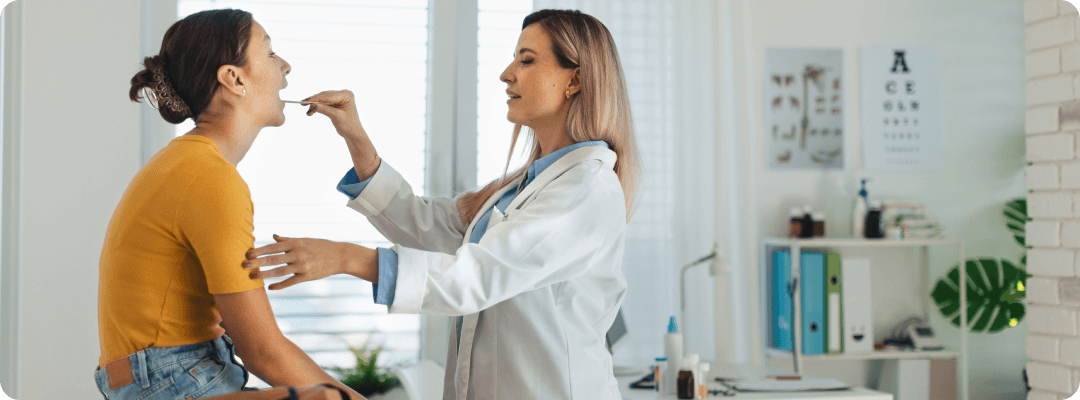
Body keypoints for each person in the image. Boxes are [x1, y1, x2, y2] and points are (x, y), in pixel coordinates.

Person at [244, 9, 640, 399]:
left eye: (527, 60)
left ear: (575, 80)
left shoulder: (587, 190)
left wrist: (348, 259)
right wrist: (356, 137)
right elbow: (427, 225)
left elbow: (476, 276)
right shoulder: (522, 189)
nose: (507, 73)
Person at [98, 9, 360, 400]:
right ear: (234, 79)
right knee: (327, 398)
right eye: (271, 54)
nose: (286, 67)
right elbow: (263, 352)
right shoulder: (210, 178)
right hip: (171, 383)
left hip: (167, 376)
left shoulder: (185, 163)